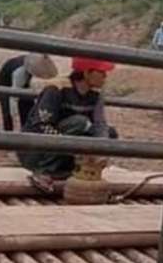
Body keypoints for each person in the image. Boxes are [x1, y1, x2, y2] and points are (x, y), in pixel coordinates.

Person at [18, 57, 118, 193]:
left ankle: (74, 170)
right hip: (36, 152)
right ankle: (43, 172)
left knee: (109, 133)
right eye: (101, 72)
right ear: (87, 73)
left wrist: (102, 150)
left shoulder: (96, 94)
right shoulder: (56, 89)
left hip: (64, 149)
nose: (105, 76)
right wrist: (69, 147)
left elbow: (100, 124)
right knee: (80, 122)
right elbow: (41, 126)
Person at [0, 53, 58, 131]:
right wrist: (14, 116)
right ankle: (8, 134)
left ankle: (26, 130)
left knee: (28, 106)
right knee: (7, 110)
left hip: (23, 82)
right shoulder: (20, 73)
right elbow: (13, 97)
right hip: (5, 82)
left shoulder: (31, 63)